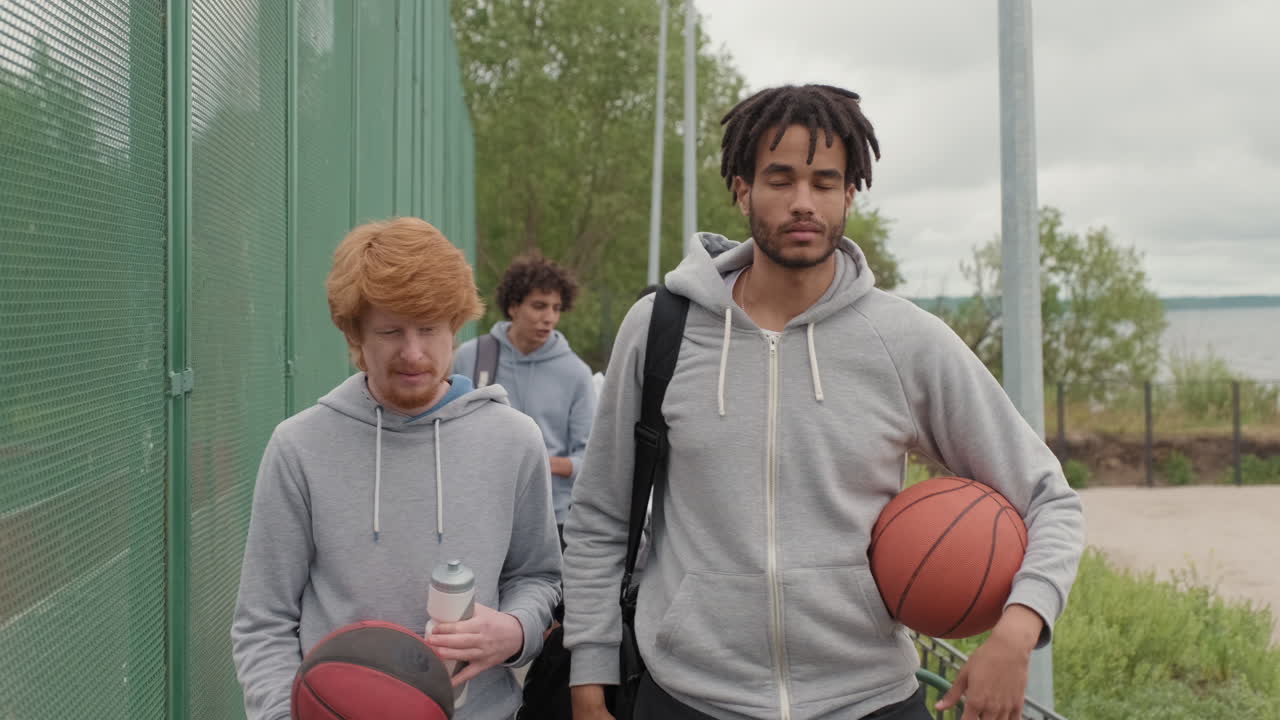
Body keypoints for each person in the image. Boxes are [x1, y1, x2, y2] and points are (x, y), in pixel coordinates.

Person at [562, 84, 1085, 720]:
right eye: (780, 179)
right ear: (741, 189)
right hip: (688, 695)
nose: (803, 203)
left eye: (825, 182)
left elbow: (1049, 499)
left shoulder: (903, 340)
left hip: (868, 698)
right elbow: (600, 518)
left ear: (849, 195)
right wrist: (589, 679)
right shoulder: (660, 328)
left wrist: (1018, 629)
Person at [231, 217, 562, 720]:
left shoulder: (514, 440)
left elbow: (537, 576)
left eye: (429, 329)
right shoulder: (299, 447)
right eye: (389, 331)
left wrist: (516, 630)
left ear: (455, 326)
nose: (413, 353)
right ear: (355, 335)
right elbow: (264, 621)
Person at [454, 253, 596, 539]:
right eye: (539, 306)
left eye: (556, 308)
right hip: (478, 514)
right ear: (513, 307)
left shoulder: (577, 373)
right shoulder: (472, 358)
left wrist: (547, 462)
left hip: (552, 521)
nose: (549, 318)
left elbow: (591, 459)